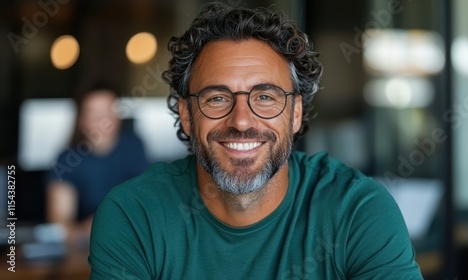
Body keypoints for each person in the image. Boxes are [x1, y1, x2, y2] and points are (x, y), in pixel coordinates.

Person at [89, 4, 423, 279]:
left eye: (265, 96)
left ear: (295, 113)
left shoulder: (356, 210)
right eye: (217, 98)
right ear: (188, 116)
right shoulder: (135, 215)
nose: (242, 121)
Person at [46, 82, 149, 245]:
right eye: (94, 114)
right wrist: (87, 231)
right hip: (86, 249)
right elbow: (59, 223)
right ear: (81, 119)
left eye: (108, 112)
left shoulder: (134, 146)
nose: (102, 121)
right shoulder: (67, 160)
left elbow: (146, 202)